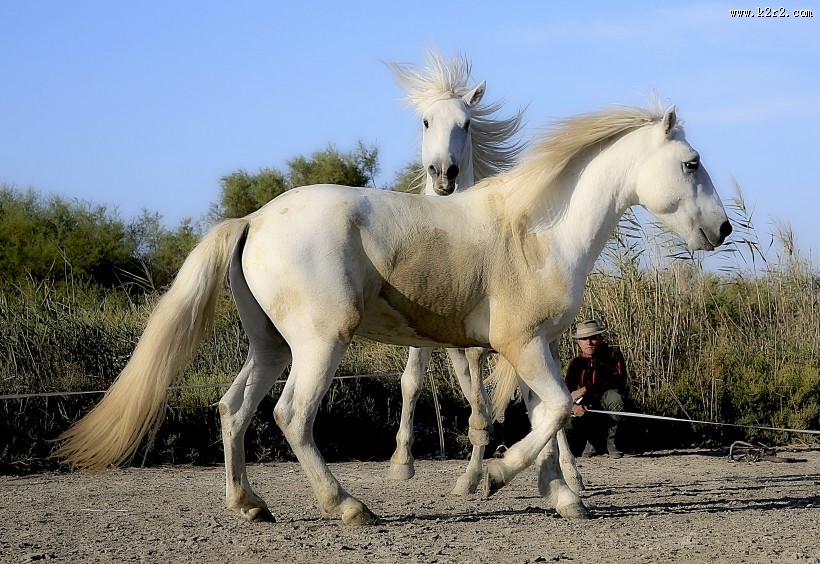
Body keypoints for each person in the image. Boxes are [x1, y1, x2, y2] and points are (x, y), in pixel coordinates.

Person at [564, 319, 627, 459]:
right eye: (584, 339)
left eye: (592, 338)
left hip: (606, 398)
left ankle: (613, 442)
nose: (589, 342)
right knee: (568, 415)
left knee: (615, 399)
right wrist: (573, 406)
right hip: (588, 404)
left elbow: (619, 379)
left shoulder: (613, 354)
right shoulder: (576, 363)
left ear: (600, 338)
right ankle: (592, 441)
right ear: (578, 342)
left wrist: (586, 389)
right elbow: (568, 389)